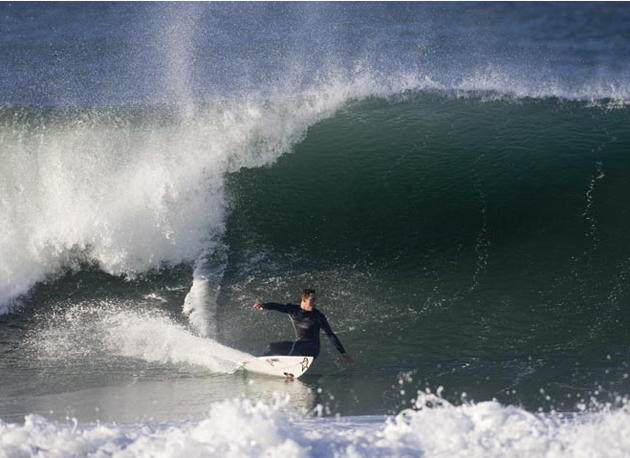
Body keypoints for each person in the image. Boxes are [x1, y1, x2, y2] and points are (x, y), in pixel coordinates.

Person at [253, 289, 354, 364]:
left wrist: (343, 352)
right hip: (297, 347)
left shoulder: (318, 316)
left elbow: (330, 334)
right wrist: (263, 305)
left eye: (315, 300)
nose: (314, 302)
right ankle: (260, 364)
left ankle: (288, 366)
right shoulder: (293, 310)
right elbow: (277, 306)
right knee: (271, 347)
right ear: (304, 299)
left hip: (313, 349)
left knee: (298, 345)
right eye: (312, 300)